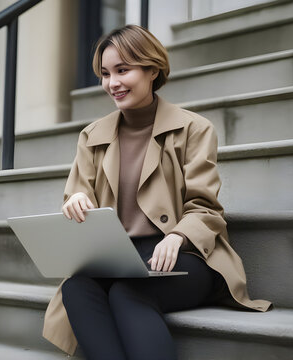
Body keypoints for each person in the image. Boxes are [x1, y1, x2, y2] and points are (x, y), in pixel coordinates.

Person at [42, 25, 271, 360]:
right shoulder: (92, 136)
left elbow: (206, 209)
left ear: (152, 70)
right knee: (76, 288)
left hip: (184, 256)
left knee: (127, 293)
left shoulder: (194, 128)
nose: (113, 83)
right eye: (105, 74)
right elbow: (77, 193)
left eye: (123, 70)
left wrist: (177, 236)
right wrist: (74, 201)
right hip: (118, 257)